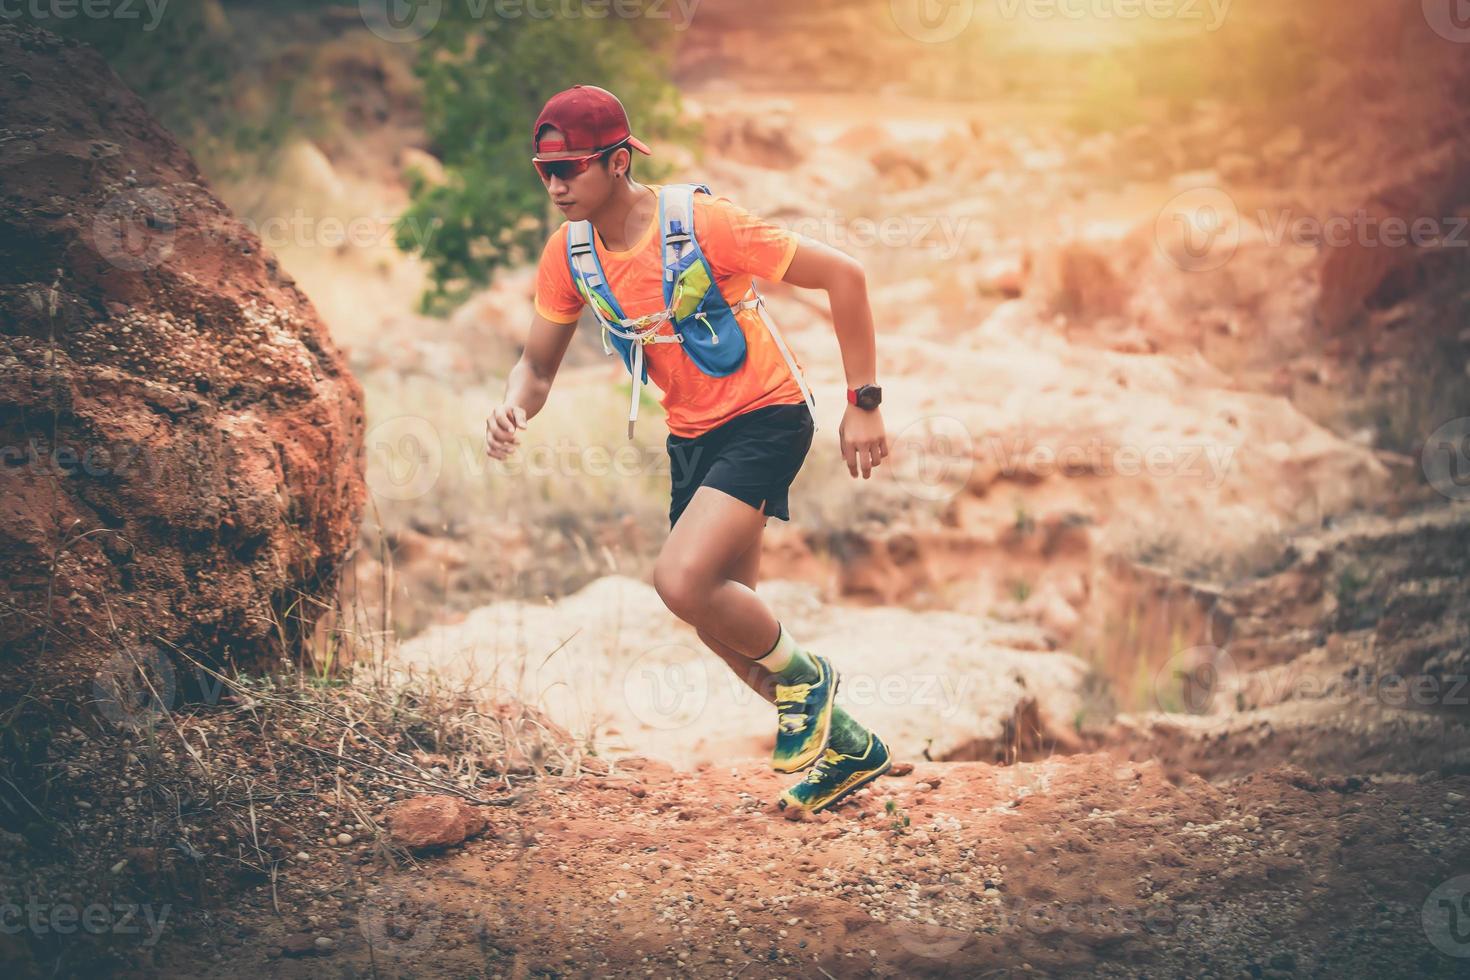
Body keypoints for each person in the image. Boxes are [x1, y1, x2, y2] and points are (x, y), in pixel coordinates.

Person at [485, 84, 891, 813]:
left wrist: (863, 402)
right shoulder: (569, 254)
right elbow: (537, 366)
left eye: (569, 168)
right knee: (719, 618)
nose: (554, 185)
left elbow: (845, 276)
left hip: (767, 415)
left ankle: (811, 681)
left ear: (616, 163)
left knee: (680, 581)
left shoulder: (703, 222)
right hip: (692, 438)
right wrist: (514, 405)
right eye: (543, 170)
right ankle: (850, 748)